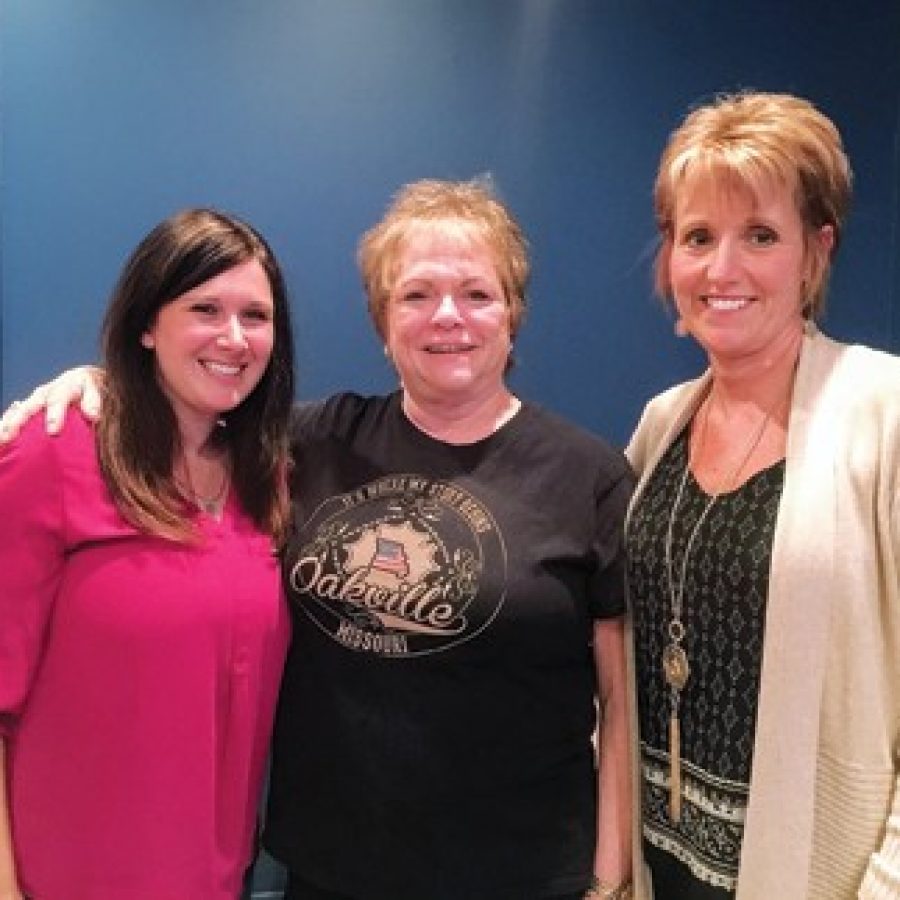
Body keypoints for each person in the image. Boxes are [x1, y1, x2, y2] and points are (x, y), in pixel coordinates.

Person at [0, 180, 634, 900]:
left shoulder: (588, 475)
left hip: (515, 876)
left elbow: (620, 704)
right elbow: (181, 406)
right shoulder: (304, 448)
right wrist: (98, 380)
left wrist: (609, 881)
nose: (447, 318)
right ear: (382, 320)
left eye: (477, 294)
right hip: (327, 872)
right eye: (416, 295)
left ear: (513, 311)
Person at [624, 91, 900, 899]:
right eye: (698, 236)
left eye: (761, 237)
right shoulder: (661, 425)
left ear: (816, 252)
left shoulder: (883, 414)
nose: (722, 270)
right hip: (660, 865)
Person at [0, 208, 295, 900]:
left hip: (217, 880)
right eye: (204, 308)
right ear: (145, 325)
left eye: (255, 315)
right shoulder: (55, 449)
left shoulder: (271, 482)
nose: (233, 337)